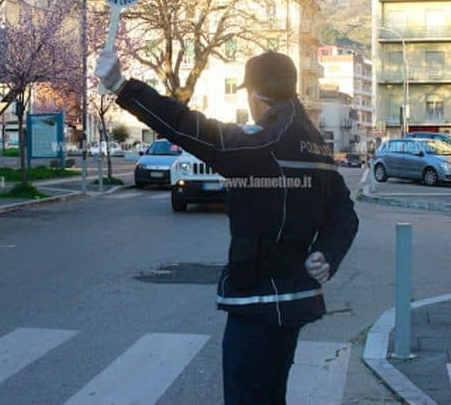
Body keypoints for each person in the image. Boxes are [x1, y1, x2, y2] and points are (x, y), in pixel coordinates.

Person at [95, 49, 359, 404]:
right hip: (293, 299)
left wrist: (123, 88)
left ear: (255, 94)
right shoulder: (315, 145)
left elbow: (191, 128)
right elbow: (345, 214)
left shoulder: (267, 141)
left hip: (259, 301)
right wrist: (327, 252)